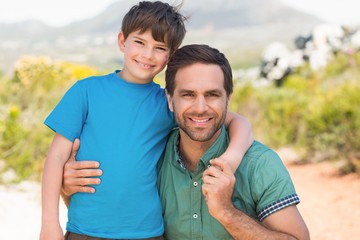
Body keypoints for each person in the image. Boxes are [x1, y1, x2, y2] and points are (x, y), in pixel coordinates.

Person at [40, 1, 253, 240]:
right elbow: (56, 157)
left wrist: (231, 159)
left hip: (147, 233)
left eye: (159, 47)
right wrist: (49, 224)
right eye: (139, 42)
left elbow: (239, 123)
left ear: (170, 57)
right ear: (122, 41)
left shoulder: (168, 104)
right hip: (84, 231)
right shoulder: (86, 92)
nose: (147, 55)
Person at [62, 44, 310, 239]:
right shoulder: (151, 156)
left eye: (212, 95)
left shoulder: (260, 165)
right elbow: (109, 216)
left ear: (228, 99)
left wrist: (227, 213)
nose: (200, 108)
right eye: (188, 95)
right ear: (170, 100)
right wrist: (69, 189)